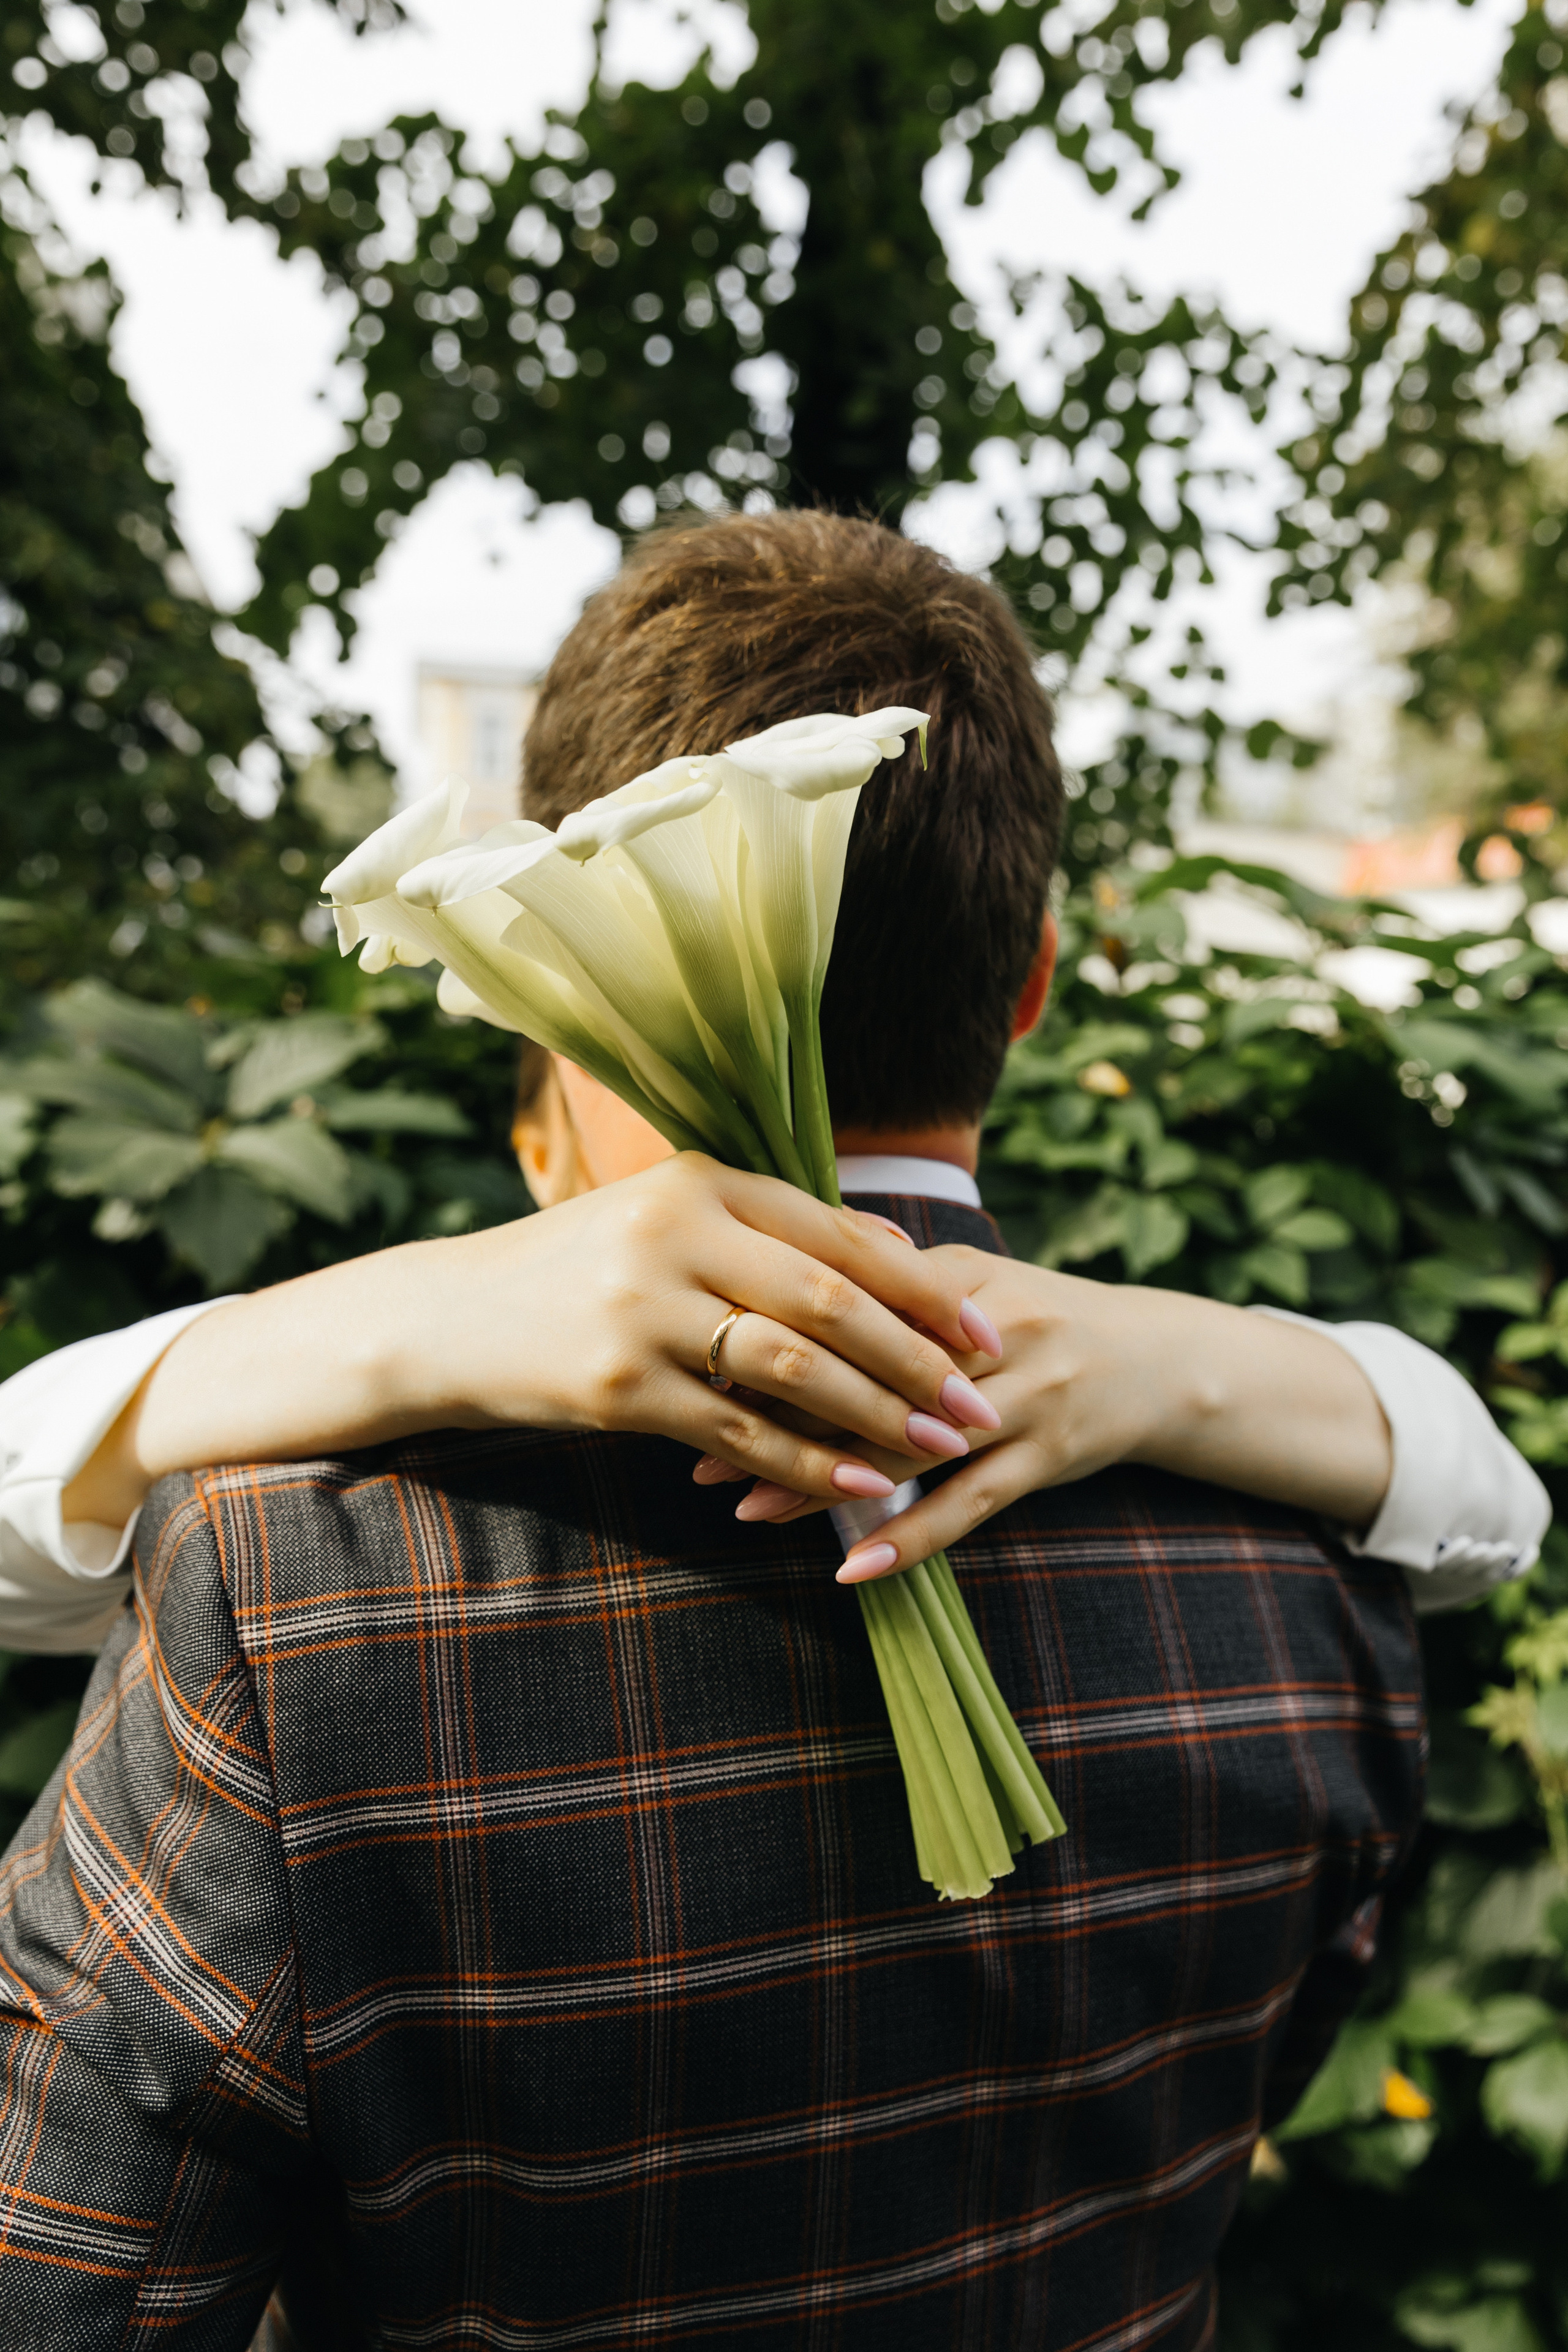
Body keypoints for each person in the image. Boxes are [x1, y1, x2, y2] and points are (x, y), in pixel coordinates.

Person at [0, 511, 1514, 2348]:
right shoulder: (1311, 1543)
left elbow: (59, 2288)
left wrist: (359, 1334)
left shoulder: (296, 1578)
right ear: (1033, 980)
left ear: (567, 1002)